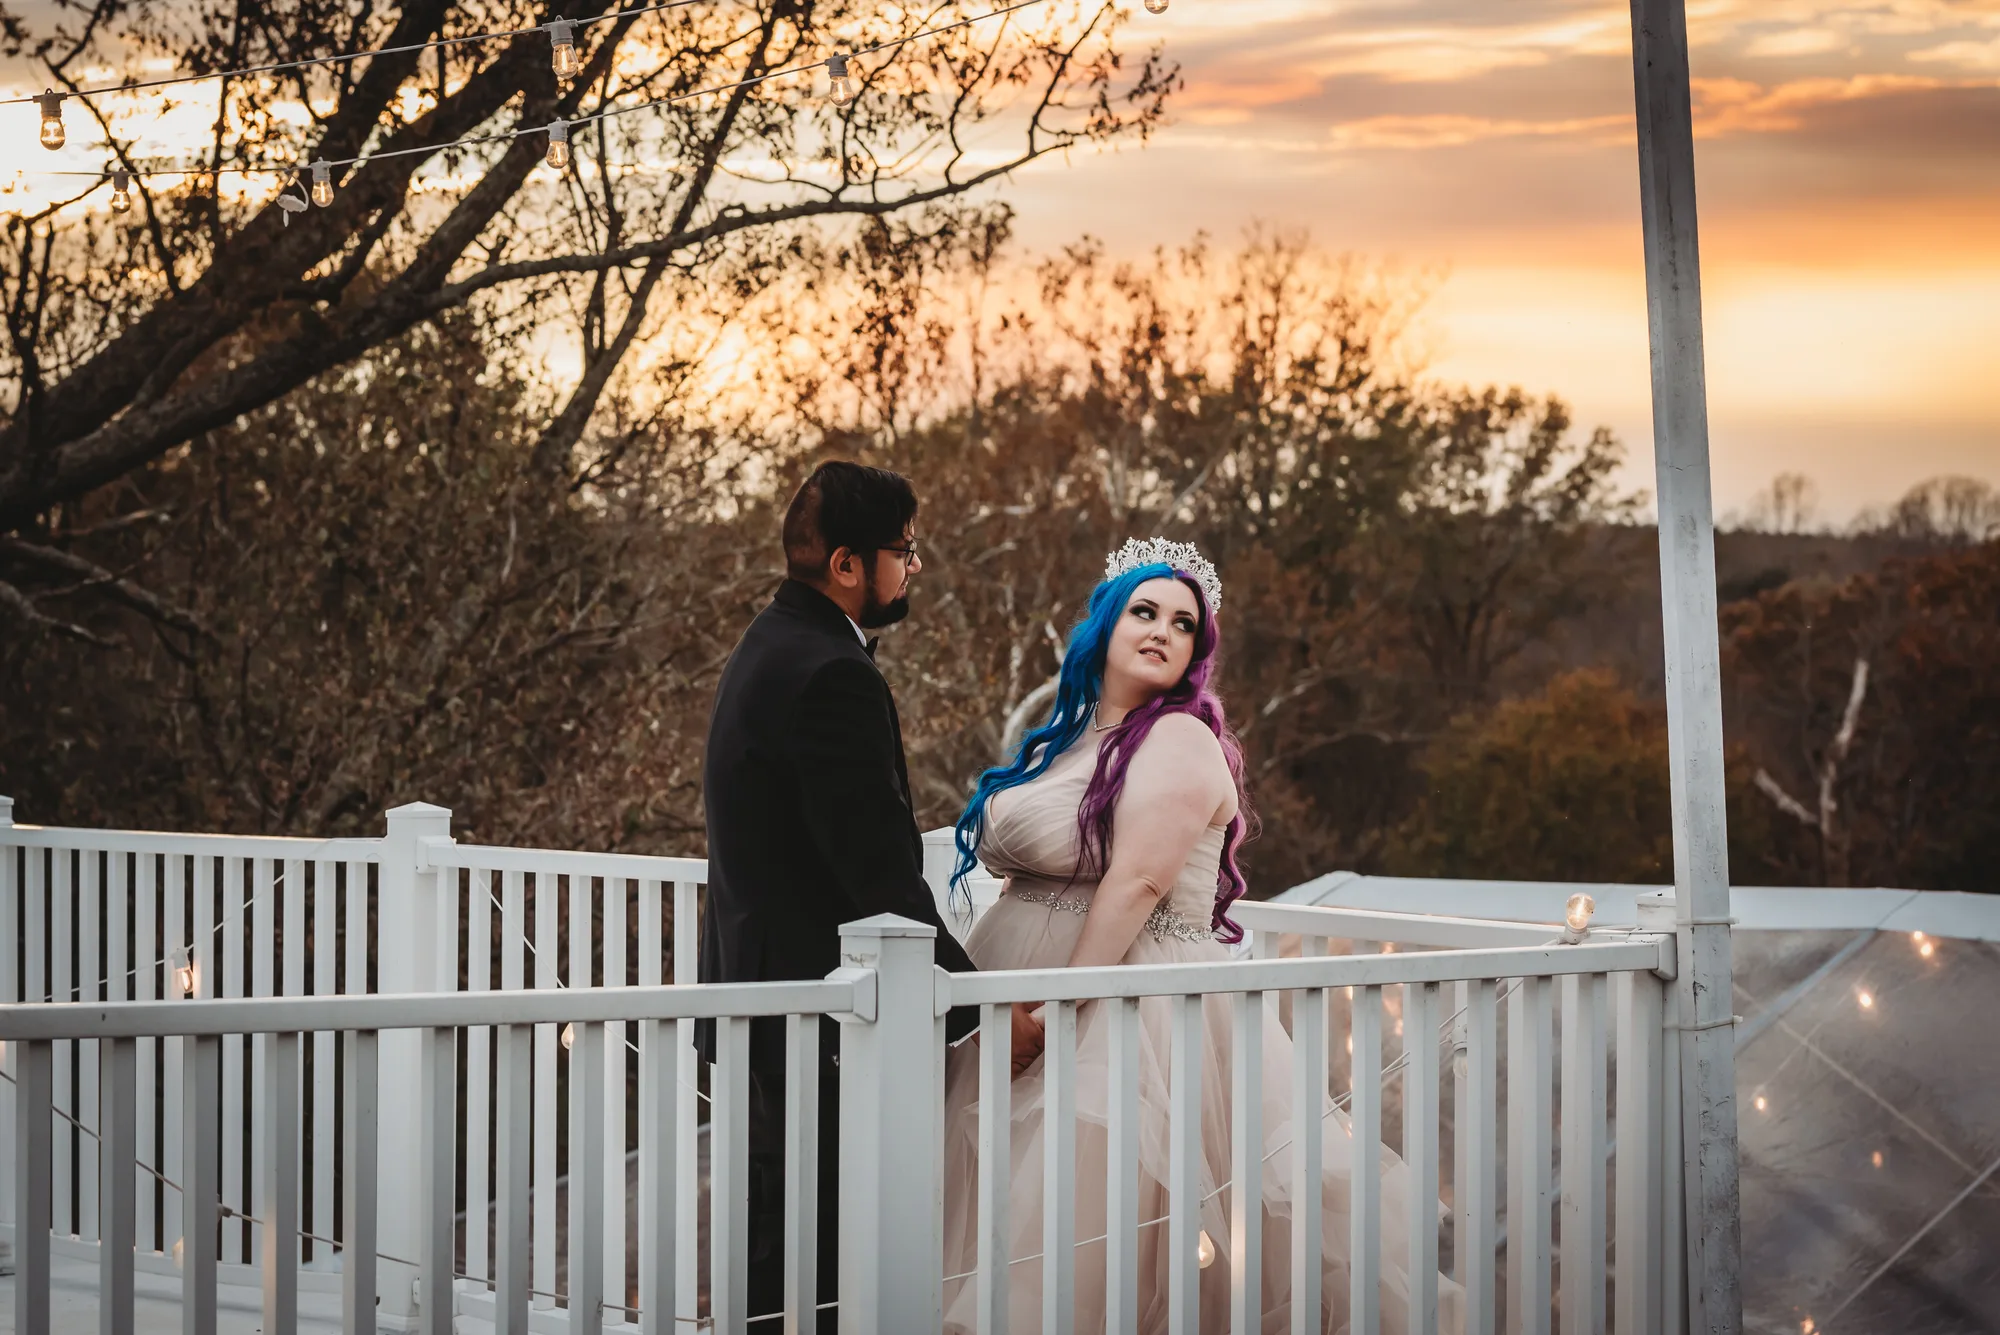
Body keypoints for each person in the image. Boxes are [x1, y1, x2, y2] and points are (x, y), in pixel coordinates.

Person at [938, 538, 1464, 1334]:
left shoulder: (1178, 737)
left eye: (1183, 624)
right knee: (997, 1209)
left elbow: (1139, 883)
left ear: (1195, 652)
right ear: (1105, 625)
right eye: (1144, 612)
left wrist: (1053, 1008)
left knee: (1087, 1227)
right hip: (1010, 990)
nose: (1161, 630)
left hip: (1120, 1008)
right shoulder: (1066, 738)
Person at [699, 460, 1044, 1331]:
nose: (915, 566)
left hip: (760, 994)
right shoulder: (831, 676)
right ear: (847, 564)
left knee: (778, 1243)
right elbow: (880, 876)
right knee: (819, 1254)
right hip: (821, 1021)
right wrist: (982, 1009)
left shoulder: (767, 642)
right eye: (905, 549)